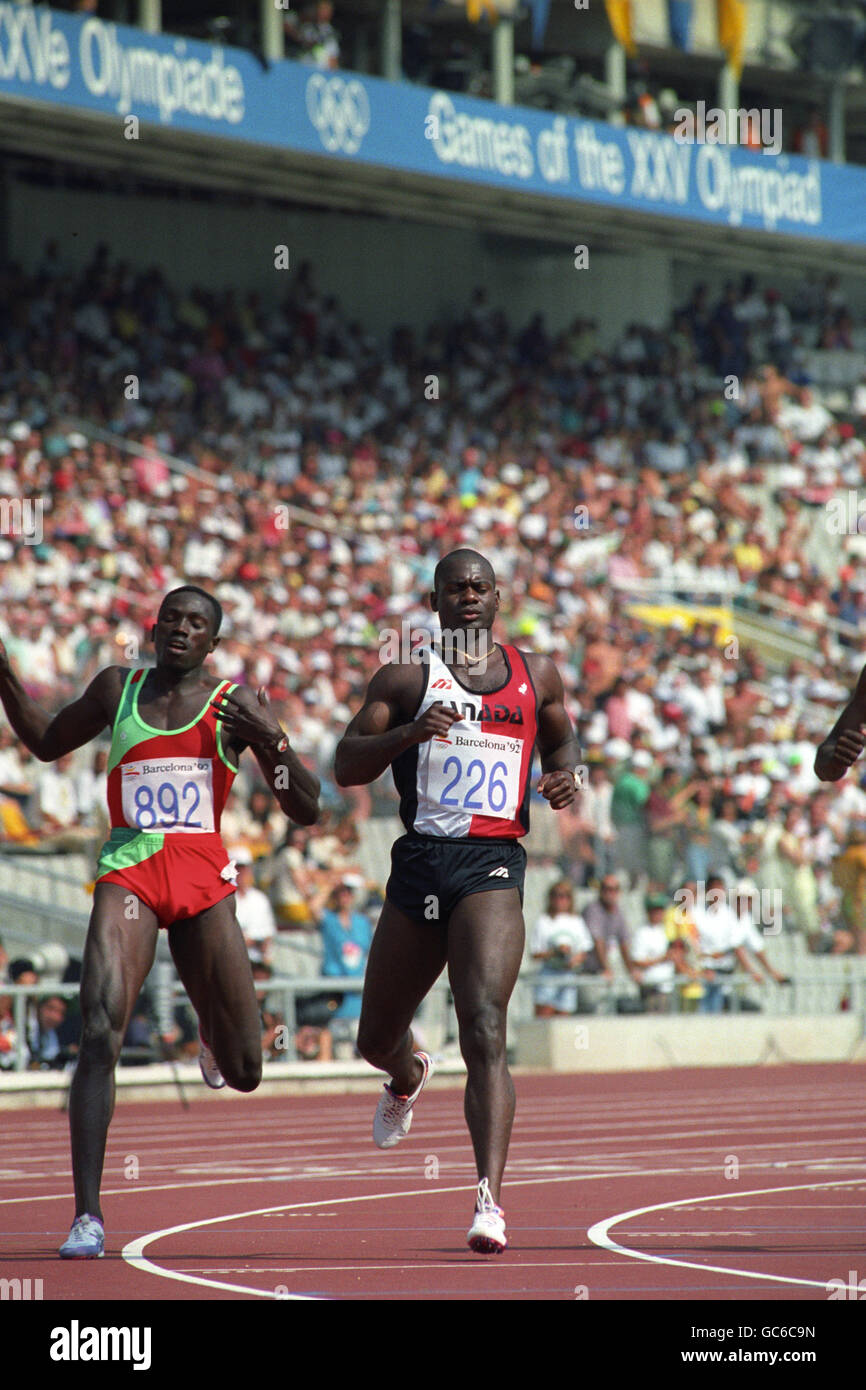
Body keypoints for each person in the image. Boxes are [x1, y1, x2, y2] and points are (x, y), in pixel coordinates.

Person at [0, 585, 320, 1259]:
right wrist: (4, 672)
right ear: (153, 630)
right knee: (98, 1026)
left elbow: (306, 809)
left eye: (196, 623)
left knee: (247, 1068)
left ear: (213, 642)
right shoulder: (117, 688)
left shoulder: (234, 706)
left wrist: (276, 741)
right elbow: (41, 741)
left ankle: (210, 1028)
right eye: (171, 618)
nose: (180, 629)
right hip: (131, 870)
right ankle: (87, 1216)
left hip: (203, 875)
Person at [334, 549, 578, 1254]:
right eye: (455, 588)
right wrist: (410, 731)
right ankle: (408, 1073)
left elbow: (562, 744)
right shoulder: (406, 677)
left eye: (479, 586)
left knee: (484, 1025)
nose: (468, 596)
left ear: (497, 596)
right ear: (435, 600)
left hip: (492, 866)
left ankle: (489, 1201)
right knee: (375, 1038)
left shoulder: (539, 674)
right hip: (420, 867)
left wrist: (565, 781)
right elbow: (346, 764)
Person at [530, 880, 594, 1017]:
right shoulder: (544, 921)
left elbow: (585, 949)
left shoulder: (576, 921)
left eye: (564, 895)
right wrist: (555, 953)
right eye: (556, 895)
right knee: (544, 1015)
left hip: (568, 974)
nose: (560, 900)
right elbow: (535, 953)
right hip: (549, 974)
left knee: (564, 1017)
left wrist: (574, 959)